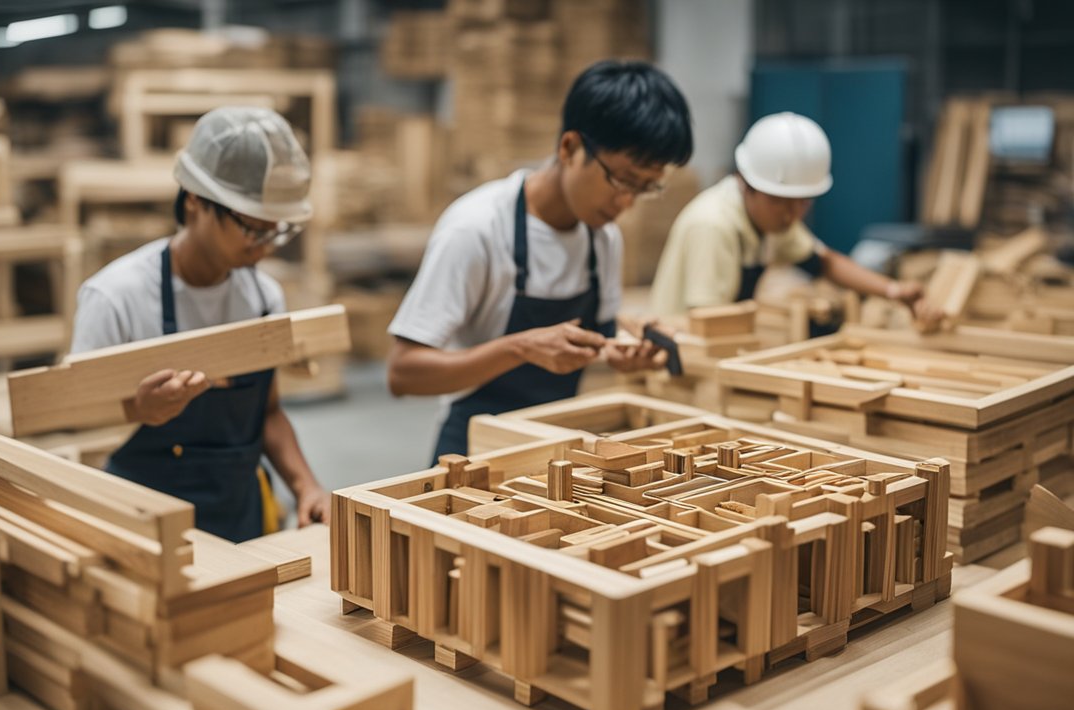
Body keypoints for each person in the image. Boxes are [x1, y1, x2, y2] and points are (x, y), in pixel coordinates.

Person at [387, 60, 694, 460]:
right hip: (473, 453)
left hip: (556, 447)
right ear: (570, 148)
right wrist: (519, 348)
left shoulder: (603, 238)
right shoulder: (476, 229)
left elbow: (593, 341)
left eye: (645, 188)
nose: (628, 202)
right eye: (623, 180)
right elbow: (402, 373)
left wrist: (616, 352)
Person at [69, 107, 330, 542]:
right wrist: (137, 411)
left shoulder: (262, 298)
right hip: (142, 523)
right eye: (253, 229)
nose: (265, 247)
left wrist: (306, 485)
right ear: (195, 200)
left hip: (238, 517)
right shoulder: (116, 297)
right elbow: (71, 424)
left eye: (276, 231)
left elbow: (266, 411)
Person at [649, 112, 942, 328]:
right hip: (674, 356)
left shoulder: (770, 219)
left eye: (802, 202)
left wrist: (893, 291)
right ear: (744, 183)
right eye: (779, 201)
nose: (791, 215)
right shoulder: (714, 225)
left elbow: (824, 261)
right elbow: (708, 321)